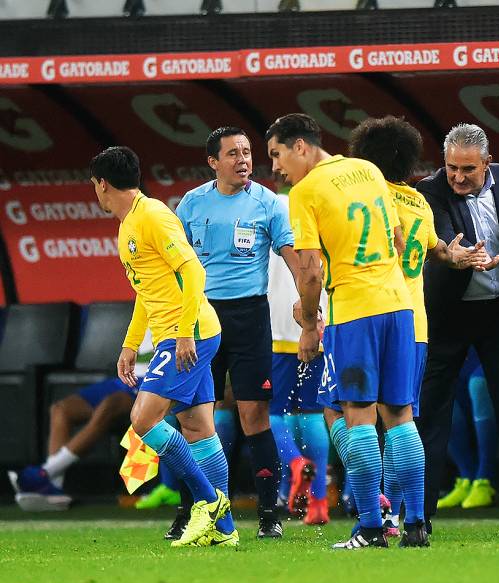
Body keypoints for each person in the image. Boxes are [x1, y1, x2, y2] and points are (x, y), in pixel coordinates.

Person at [266, 112, 425, 549]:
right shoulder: (369, 170)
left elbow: (311, 273)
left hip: (354, 311)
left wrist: (310, 326)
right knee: (400, 417)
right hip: (399, 306)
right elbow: (394, 238)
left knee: (357, 418)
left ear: (301, 147)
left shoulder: (305, 191)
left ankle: (372, 527)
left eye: (277, 154)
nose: (276, 167)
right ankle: (416, 525)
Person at [347, 115, 493, 536]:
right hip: (414, 324)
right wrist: (457, 256)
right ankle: (408, 519)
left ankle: (370, 518)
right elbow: (437, 250)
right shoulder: (417, 201)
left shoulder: (364, 197)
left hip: (365, 315)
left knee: (347, 416)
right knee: (402, 418)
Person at [89, 145, 234, 547]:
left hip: (189, 333)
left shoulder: (152, 215)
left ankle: (208, 502)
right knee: (197, 427)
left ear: (101, 185)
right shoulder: (127, 224)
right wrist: (130, 345)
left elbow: (193, 270)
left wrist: (185, 331)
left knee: (143, 419)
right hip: (179, 331)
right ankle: (224, 532)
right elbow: (147, 291)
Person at [416, 123, 499, 535]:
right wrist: (453, 257)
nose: (457, 176)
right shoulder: (428, 190)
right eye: (451, 167)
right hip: (447, 316)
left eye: (467, 169)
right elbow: (428, 245)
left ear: (487, 163)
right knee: (431, 414)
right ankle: (421, 515)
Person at [176, 126, 297, 539]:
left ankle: (268, 513)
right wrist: (178, 326)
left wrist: (308, 307)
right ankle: (194, 509)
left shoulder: (268, 202)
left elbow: (292, 256)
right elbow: (175, 268)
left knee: (254, 414)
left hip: (250, 317)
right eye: (233, 153)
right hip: (202, 319)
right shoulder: (191, 204)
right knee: (196, 419)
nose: (243, 160)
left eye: (247, 152)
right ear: (213, 162)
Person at [266, 191, 331, 526]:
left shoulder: (266, 204)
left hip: (279, 322)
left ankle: (293, 463)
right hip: (319, 318)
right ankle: (319, 502)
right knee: (313, 411)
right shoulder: (324, 200)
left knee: (271, 410)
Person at [8, 377, 146, 511]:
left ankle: (44, 473)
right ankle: (53, 489)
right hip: (125, 379)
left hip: (150, 381)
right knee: (61, 409)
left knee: (108, 406)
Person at [437, 350, 499, 510]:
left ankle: (485, 479)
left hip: (490, 347)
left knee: (478, 384)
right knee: (441, 392)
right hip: (456, 347)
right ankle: (467, 476)